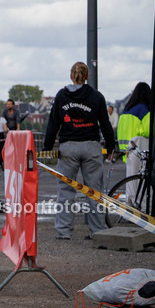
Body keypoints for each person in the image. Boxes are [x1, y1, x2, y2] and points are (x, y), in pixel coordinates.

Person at [43, 62, 116, 240]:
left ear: (71, 75)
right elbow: (105, 124)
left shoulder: (61, 96)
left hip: (68, 146)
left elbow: (53, 123)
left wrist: (47, 146)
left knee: (65, 191)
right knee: (94, 191)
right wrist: (111, 145)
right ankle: (97, 230)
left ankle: (63, 231)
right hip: (91, 146)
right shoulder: (97, 97)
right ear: (87, 77)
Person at [116, 82, 152, 200]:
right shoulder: (143, 109)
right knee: (140, 185)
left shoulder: (126, 109)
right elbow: (148, 130)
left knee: (131, 182)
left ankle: (130, 204)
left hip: (127, 151)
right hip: (140, 150)